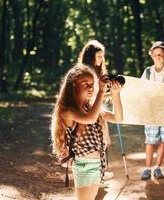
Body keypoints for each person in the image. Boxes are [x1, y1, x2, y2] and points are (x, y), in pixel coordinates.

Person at [50, 64, 123, 200]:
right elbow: (90, 119)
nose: (90, 88)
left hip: (97, 164)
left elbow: (118, 118)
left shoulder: (91, 108)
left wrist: (115, 94)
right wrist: (101, 92)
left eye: (92, 84)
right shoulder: (67, 111)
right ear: (74, 87)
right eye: (85, 84)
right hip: (82, 165)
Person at [140, 41, 164, 180]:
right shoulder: (147, 72)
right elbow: (142, 90)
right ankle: (147, 168)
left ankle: (157, 167)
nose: (158, 57)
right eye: (155, 54)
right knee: (150, 140)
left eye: (161, 54)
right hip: (151, 111)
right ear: (151, 55)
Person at [78, 40, 115, 182]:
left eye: (102, 56)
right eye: (99, 56)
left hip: (96, 110)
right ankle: (98, 176)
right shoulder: (86, 72)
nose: (101, 59)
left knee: (103, 142)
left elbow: (97, 96)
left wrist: (114, 93)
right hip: (89, 113)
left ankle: (101, 174)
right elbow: (90, 97)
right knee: (98, 142)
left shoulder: (94, 71)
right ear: (90, 56)